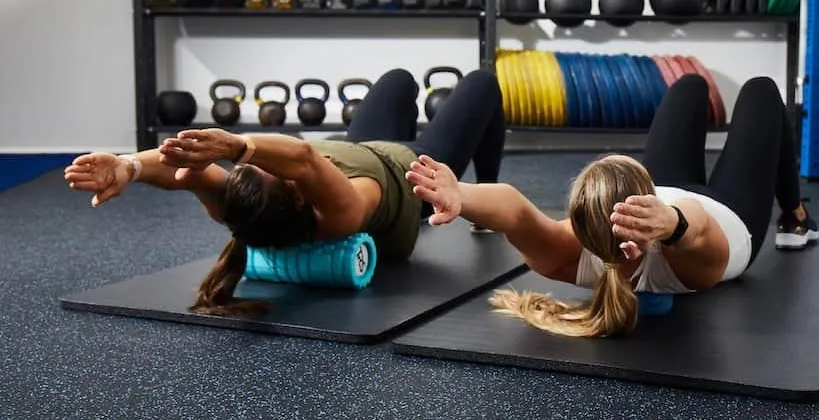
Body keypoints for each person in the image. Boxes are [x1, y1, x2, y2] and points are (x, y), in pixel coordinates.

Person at [405, 73, 819, 338]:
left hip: (670, 196)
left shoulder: (564, 255)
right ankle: (796, 217)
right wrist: (672, 222)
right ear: (646, 196)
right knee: (762, 91)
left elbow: (514, 209)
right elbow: (699, 227)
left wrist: (463, 194)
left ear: (580, 224)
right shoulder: (692, 263)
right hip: (727, 211)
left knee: (689, 86)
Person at [64, 68, 505, 315]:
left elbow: (184, 169)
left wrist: (130, 165)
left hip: (361, 147)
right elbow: (306, 160)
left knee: (398, 81)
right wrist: (239, 146)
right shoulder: (337, 214)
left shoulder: (240, 205)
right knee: (483, 84)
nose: (260, 164)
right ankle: (481, 201)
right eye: (266, 167)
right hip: (416, 166)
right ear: (298, 196)